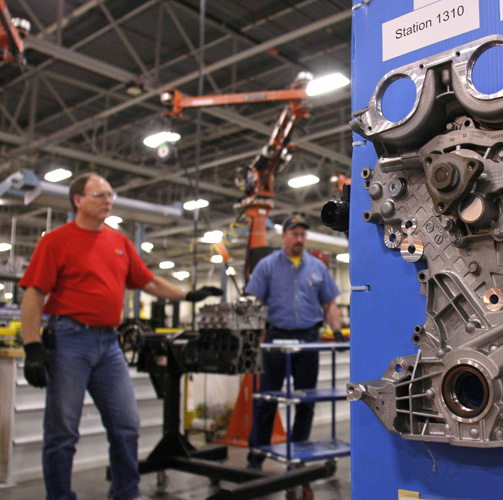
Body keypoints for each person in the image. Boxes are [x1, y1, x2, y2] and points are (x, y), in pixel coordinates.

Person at [19, 173, 222, 500]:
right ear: (78, 200)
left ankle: (126, 494)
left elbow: (148, 281)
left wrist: (188, 295)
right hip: (70, 341)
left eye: (110, 194)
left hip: (109, 344)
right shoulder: (55, 241)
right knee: (62, 433)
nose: (108, 200)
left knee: (126, 425)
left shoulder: (119, 242)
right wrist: (32, 346)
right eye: (99, 195)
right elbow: (33, 294)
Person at [245, 214, 343, 468]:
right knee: (267, 400)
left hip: (309, 340)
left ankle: (298, 454)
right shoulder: (267, 266)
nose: (299, 239)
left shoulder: (317, 267)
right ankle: (256, 456)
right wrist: (249, 332)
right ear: (284, 236)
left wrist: (338, 331)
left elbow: (329, 303)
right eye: (294, 234)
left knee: (305, 401)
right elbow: (253, 302)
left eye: (302, 235)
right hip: (276, 340)